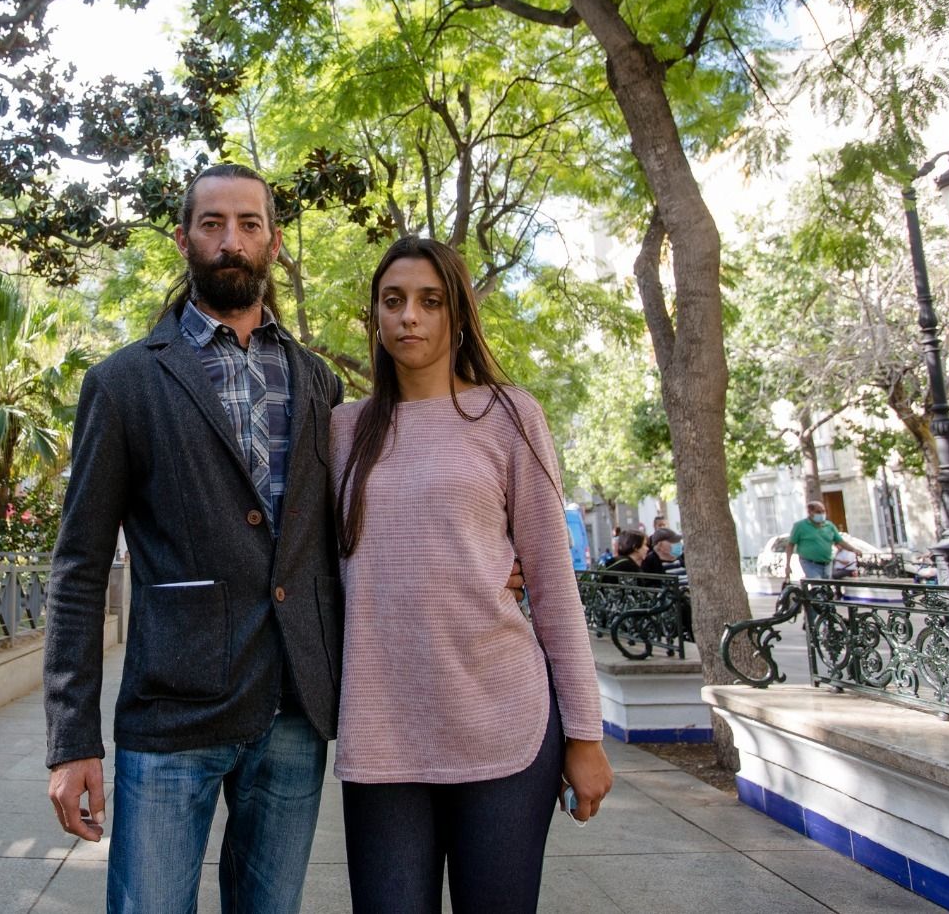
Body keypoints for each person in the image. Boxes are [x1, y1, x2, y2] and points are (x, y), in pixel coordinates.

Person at [41, 164, 526, 912]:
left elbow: (347, 528)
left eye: (249, 224)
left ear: (272, 241)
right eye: (212, 224)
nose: (231, 240)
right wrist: (73, 738)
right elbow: (77, 568)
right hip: (173, 712)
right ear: (184, 239)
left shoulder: (319, 386)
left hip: (294, 711)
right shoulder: (126, 383)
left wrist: (495, 553)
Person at [330, 236, 611, 914]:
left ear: (458, 316)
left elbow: (550, 585)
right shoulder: (342, 429)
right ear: (374, 317)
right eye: (392, 302)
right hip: (382, 732)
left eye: (430, 302)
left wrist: (586, 736)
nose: (409, 318)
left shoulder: (509, 415)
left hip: (505, 722)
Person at [788, 500, 844, 580]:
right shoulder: (800, 526)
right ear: (810, 512)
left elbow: (840, 541)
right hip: (809, 563)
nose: (821, 514)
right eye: (818, 512)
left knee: (826, 587)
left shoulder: (829, 525)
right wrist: (788, 565)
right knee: (817, 586)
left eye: (823, 511)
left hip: (827, 563)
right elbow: (790, 545)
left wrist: (854, 550)